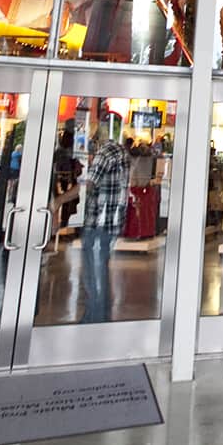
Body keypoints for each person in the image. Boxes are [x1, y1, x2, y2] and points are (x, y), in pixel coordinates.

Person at [81, 124, 130, 323]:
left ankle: (96, 319)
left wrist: (59, 200)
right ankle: (99, 317)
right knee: (100, 268)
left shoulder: (105, 152)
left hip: (99, 220)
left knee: (95, 273)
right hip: (113, 220)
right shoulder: (121, 152)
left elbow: (90, 183)